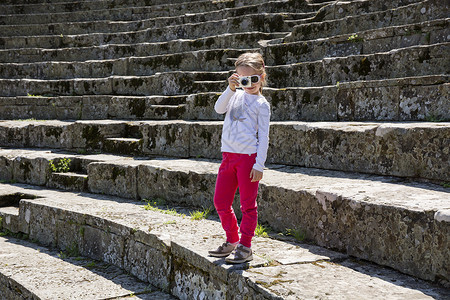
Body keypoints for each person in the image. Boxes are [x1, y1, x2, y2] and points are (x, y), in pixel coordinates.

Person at [208, 52, 271, 264]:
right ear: (237, 78)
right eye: (244, 79)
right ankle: (232, 239)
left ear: (262, 77)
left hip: (247, 160)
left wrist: (259, 165)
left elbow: (263, 136)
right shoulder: (234, 95)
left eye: (254, 79)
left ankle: (246, 246)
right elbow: (218, 109)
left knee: (248, 205)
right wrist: (230, 88)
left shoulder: (262, 104)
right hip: (228, 157)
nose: (250, 84)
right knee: (220, 201)